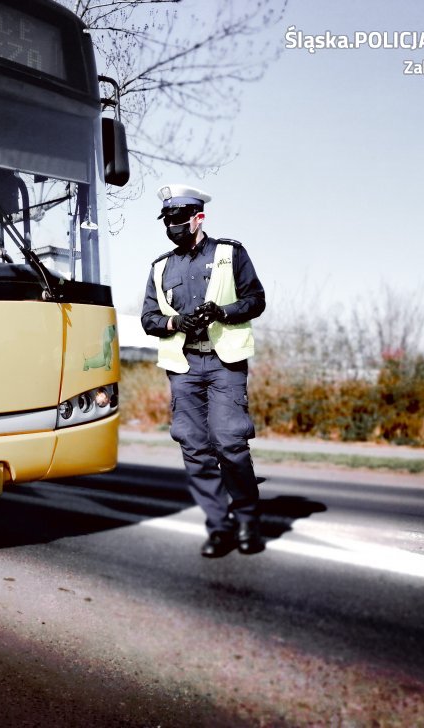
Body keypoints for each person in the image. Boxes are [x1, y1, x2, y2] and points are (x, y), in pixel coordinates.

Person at [141, 184, 266, 558]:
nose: (173, 226)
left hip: (224, 361)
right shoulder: (160, 266)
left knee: (229, 441)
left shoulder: (231, 252)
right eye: (168, 220)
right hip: (184, 366)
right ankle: (219, 527)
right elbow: (149, 318)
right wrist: (177, 322)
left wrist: (222, 312)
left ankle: (246, 520)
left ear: (199, 218)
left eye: (179, 218)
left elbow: (256, 299)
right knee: (194, 447)